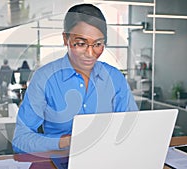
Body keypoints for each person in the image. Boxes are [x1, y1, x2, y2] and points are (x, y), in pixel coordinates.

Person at [12, 3, 138, 153]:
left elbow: (132, 128)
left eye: (98, 44)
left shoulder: (114, 77)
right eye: (81, 43)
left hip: (107, 157)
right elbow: (20, 140)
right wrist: (65, 142)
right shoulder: (44, 78)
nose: (90, 53)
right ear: (66, 39)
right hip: (61, 160)